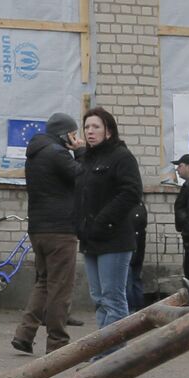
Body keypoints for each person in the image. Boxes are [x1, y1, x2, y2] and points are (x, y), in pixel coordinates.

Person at [11, 112, 83, 355]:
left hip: (39, 229)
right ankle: (57, 342)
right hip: (60, 229)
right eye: (74, 134)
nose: (77, 138)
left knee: (43, 283)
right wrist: (80, 151)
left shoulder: (36, 152)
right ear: (65, 135)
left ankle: (24, 334)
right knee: (60, 286)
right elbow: (81, 177)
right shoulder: (58, 153)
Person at [73, 107, 144, 332]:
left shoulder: (121, 157)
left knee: (113, 298)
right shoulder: (87, 159)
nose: (90, 131)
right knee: (98, 298)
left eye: (96, 127)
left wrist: (102, 220)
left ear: (109, 131)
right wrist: (80, 225)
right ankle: (103, 350)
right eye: (87, 127)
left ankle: (114, 354)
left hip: (114, 239)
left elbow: (131, 192)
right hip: (90, 239)